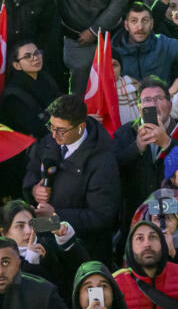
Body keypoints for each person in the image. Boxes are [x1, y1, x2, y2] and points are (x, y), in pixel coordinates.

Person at [21, 94, 121, 262]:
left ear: (81, 127)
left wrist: (55, 215)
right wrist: (33, 188)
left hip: (84, 251)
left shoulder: (103, 161)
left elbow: (102, 216)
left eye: (61, 130)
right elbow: (31, 170)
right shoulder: (50, 141)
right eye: (51, 127)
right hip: (47, 242)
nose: (54, 135)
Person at [113, 220, 178, 309]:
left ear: (162, 243)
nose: (147, 244)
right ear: (130, 247)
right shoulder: (116, 284)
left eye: (153, 237)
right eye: (140, 238)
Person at [64, 261, 143, 309]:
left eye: (103, 286)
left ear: (113, 292)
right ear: (78, 296)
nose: (96, 293)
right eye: (89, 287)